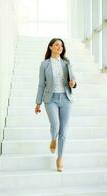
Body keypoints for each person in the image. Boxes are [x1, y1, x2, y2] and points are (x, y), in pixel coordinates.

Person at [34, 38, 77, 172]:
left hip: (66, 98)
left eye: (62, 46)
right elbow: (41, 84)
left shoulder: (66, 63)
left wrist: (73, 83)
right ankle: (53, 139)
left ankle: (60, 159)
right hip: (50, 99)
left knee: (64, 130)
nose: (60, 47)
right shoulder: (44, 64)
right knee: (56, 125)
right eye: (57, 45)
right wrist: (38, 103)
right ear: (51, 47)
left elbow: (73, 80)